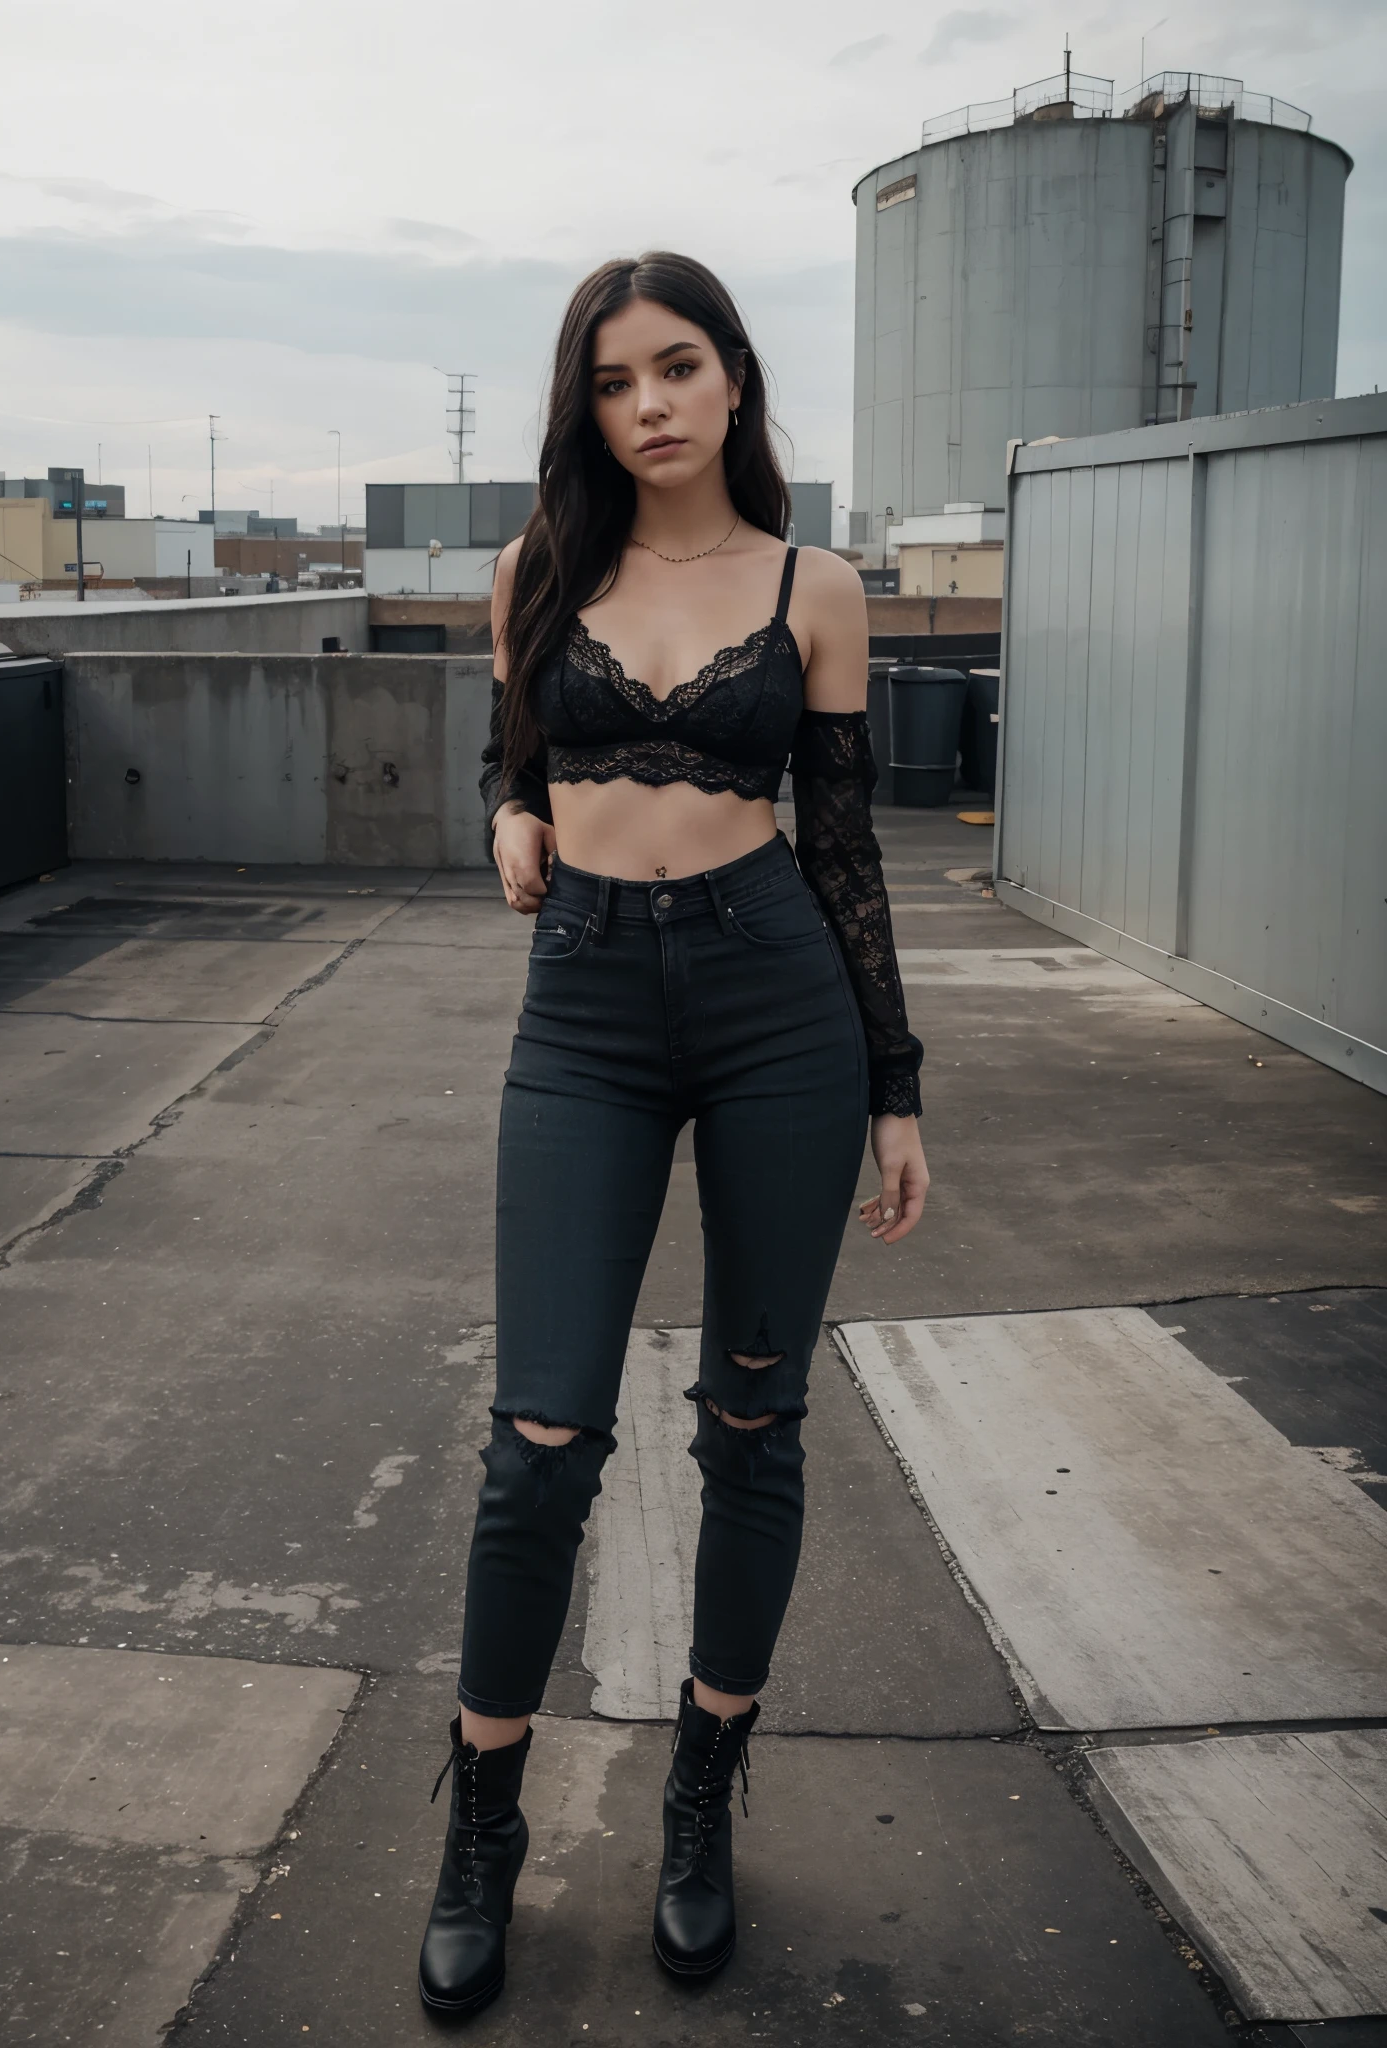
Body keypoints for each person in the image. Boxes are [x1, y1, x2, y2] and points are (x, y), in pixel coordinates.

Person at [418, 252, 930, 2015]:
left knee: (754, 1424)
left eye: (678, 367)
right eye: (615, 377)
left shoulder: (815, 586)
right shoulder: (536, 570)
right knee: (539, 1436)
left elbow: (848, 851)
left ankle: (701, 1786)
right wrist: (506, 812)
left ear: (732, 383)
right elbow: (514, 741)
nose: (647, 403)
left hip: (774, 1000)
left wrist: (895, 1084)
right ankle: (483, 1809)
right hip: (583, 1014)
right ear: (589, 401)